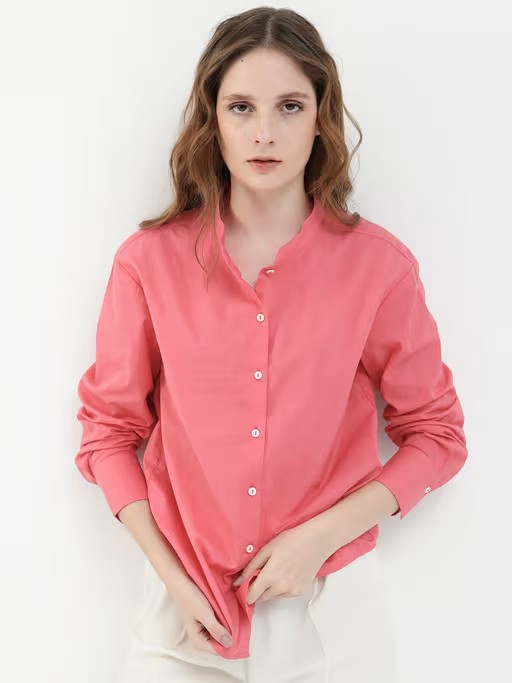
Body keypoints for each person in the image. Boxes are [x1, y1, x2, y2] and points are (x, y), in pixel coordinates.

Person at [74, 7, 468, 682]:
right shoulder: (148, 263)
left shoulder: (379, 268)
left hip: (330, 612)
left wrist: (318, 539)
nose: (264, 133)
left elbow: (437, 435)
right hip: (183, 616)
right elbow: (107, 434)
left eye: (289, 106)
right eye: (241, 107)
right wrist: (173, 579)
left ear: (320, 117)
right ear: (213, 118)